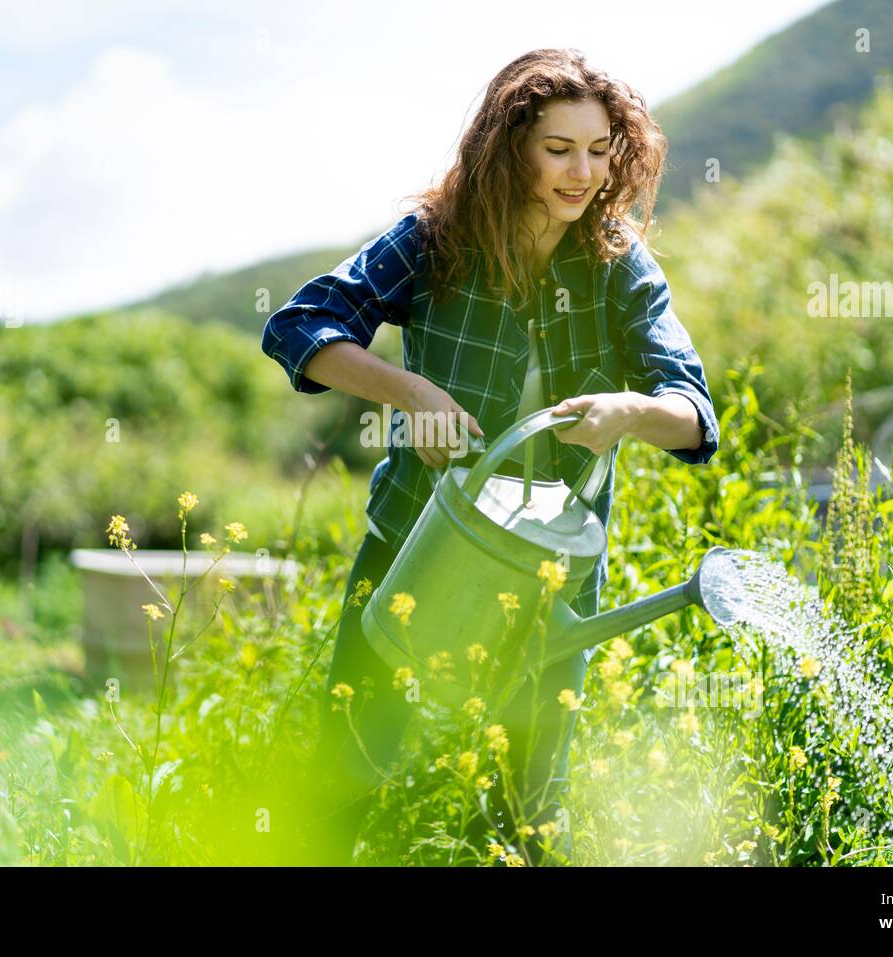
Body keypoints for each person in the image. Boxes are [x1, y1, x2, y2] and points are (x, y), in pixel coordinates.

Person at [261, 48, 720, 865]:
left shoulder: (619, 264)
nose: (581, 172)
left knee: (530, 804)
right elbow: (298, 327)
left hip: (552, 573)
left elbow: (692, 416)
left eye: (598, 148)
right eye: (557, 149)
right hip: (413, 540)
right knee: (347, 771)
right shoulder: (435, 241)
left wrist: (630, 411)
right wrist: (410, 392)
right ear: (511, 148)